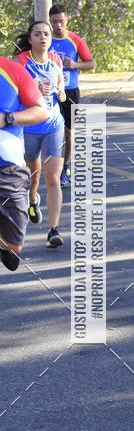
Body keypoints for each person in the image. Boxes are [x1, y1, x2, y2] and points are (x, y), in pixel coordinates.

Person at [16, 21, 67, 248]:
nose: (43, 38)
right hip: (28, 127)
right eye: (38, 34)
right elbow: (14, 91)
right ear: (30, 39)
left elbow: (61, 91)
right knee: (32, 178)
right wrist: (33, 86)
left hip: (53, 125)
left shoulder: (56, 60)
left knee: (53, 177)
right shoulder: (20, 62)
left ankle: (53, 230)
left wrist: (59, 92)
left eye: (46, 34)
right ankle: (32, 199)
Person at [0, 56, 48, 271]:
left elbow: (41, 110)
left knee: (14, 245)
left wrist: (8, 119)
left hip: (9, 168)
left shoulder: (12, 71)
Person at [48, 4, 95, 185]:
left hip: (70, 91)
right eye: (54, 22)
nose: (58, 26)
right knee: (49, 131)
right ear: (50, 22)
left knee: (68, 131)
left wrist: (74, 65)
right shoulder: (45, 39)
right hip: (50, 92)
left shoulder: (76, 40)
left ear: (67, 20)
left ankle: (65, 167)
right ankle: (48, 165)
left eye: (61, 21)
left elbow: (91, 64)